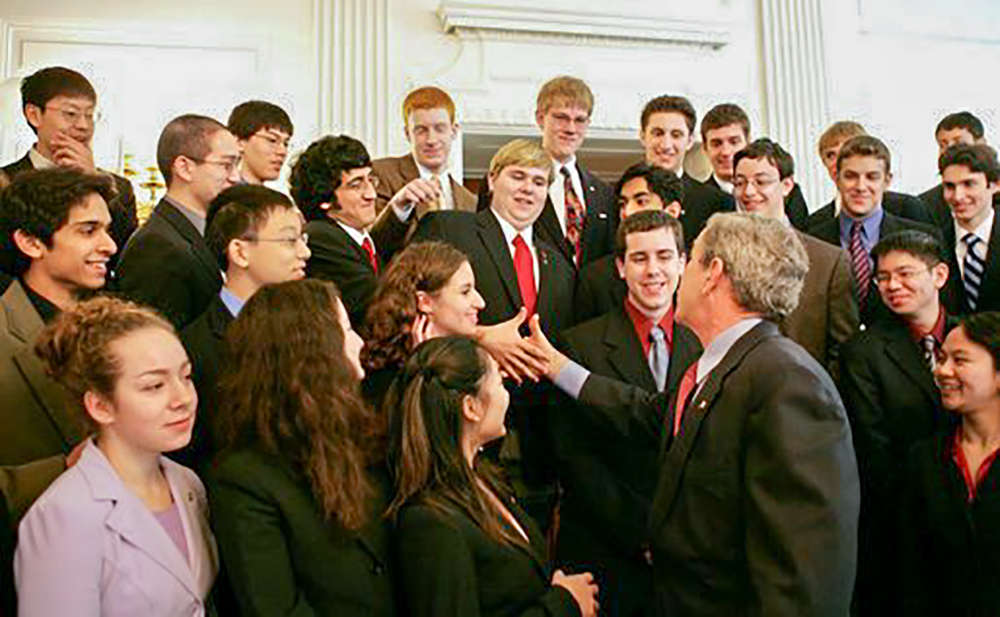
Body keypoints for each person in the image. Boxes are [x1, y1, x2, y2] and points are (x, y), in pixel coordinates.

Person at [532, 212, 860, 615]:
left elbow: (806, 568)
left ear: (712, 274)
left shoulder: (786, 378)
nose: (674, 273)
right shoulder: (727, 365)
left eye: (688, 259)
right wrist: (560, 367)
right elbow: (648, 412)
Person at [15, 296, 218, 616]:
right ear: (101, 406)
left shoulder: (186, 483)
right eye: (154, 386)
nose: (183, 398)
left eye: (186, 376)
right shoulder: (64, 516)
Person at [412, 138, 575, 531]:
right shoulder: (450, 227)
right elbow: (404, 304)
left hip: (536, 451)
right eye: (517, 176)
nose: (528, 189)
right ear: (491, 180)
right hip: (457, 430)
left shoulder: (560, 264)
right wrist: (481, 337)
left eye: (539, 181)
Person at [208, 279, 395, 616]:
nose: (359, 341)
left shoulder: (364, 435)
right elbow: (275, 608)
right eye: (345, 330)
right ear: (313, 353)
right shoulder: (244, 480)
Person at [552, 210, 701, 617]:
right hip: (606, 553)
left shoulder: (707, 346)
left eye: (664, 256)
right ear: (620, 267)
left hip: (690, 555)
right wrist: (644, 534)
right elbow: (574, 457)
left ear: (683, 263)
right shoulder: (576, 348)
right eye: (639, 258)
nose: (653, 270)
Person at [388, 336, 599, 617]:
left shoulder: (483, 478)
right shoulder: (431, 521)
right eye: (499, 382)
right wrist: (563, 604)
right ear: (471, 407)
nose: (506, 393)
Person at [839, 230, 955, 615]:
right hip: (902, 521)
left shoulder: (973, 337)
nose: (892, 286)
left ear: (939, 275)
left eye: (905, 274)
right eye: (883, 277)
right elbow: (873, 449)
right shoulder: (864, 352)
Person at [178, 184, 310, 470]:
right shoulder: (196, 350)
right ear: (239, 252)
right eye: (290, 240)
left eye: (303, 238)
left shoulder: (307, 329)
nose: (305, 252)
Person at [0, 168, 117, 465]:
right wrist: (62, 469)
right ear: (31, 243)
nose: (110, 246)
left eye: (107, 230)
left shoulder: (121, 323)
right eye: (88, 231)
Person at [896, 312, 1000, 616]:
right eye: (941, 359)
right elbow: (907, 570)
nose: (942, 371)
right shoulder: (924, 459)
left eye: (960, 360)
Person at [732, 138, 858, 378]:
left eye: (761, 181)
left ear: (786, 185)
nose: (748, 191)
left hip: (807, 391)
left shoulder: (829, 261)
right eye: (740, 183)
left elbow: (843, 351)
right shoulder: (719, 254)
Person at [0, 67, 137, 275]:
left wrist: (94, 183)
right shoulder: (6, 183)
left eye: (90, 115)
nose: (83, 125)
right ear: (34, 115)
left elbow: (128, 261)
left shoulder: (119, 189)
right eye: (70, 114)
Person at [477, 76, 617, 268]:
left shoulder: (604, 192)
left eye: (579, 120)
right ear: (540, 118)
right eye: (561, 118)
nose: (571, 129)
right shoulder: (506, 183)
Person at [115, 114, 239, 329]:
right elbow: (156, 338)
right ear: (184, 168)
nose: (235, 177)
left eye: (237, 165)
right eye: (226, 165)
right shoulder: (155, 246)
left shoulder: (205, 231)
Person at [808, 135, 939, 326]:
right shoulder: (811, 240)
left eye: (872, 177)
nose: (860, 187)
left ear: (887, 181)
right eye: (850, 176)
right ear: (836, 178)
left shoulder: (924, 237)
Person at [361, 240, 484, 408]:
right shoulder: (386, 383)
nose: (480, 303)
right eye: (465, 292)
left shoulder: (468, 359)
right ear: (425, 302)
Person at [369, 86, 477, 263]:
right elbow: (368, 246)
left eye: (439, 128)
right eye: (421, 130)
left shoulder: (471, 202)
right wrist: (398, 207)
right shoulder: (381, 173)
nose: (431, 140)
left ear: (454, 131)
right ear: (407, 134)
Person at [289, 134, 382, 331]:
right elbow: (377, 301)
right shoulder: (320, 237)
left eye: (370, 180)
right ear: (326, 199)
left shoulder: (358, 237)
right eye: (356, 185)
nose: (371, 194)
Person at [574, 162, 683, 322]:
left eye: (641, 201)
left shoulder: (699, 276)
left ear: (672, 211)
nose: (627, 212)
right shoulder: (595, 279)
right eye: (623, 204)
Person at [638, 94, 731, 247]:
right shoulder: (617, 198)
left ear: (689, 141)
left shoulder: (717, 203)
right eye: (658, 133)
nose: (666, 145)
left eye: (676, 135)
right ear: (642, 136)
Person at [699, 103, 809, 229]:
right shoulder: (698, 199)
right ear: (705, 148)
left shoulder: (789, 193)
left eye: (734, 142)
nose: (726, 152)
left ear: (748, 141)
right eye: (716, 144)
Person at [807, 121, 933, 230]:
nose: (838, 161)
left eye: (847, 151)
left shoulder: (906, 208)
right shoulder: (813, 223)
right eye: (830, 155)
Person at [937, 143, 1000, 315]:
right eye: (950, 186)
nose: (958, 196)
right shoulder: (934, 245)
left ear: (995, 184)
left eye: (969, 184)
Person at [919, 111, 992, 231]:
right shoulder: (925, 204)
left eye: (959, 142)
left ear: (981, 143)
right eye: (943, 145)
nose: (950, 150)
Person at [227, 100, 294, 185]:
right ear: (239, 142)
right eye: (272, 140)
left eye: (285, 144)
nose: (282, 152)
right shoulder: (222, 191)